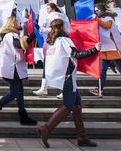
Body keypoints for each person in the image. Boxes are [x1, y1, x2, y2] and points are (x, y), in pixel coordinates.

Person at [38, 19, 99, 148]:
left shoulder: (52, 43)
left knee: (77, 104)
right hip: (67, 78)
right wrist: (95, 49)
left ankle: (82, 136)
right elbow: (76, 54)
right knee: (68, 105)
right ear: (63, 27)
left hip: (63, 77)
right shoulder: (64, 40)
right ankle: (46, 128)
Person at [0, 16, 37, 126]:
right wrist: (31, 37)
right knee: (14, 93)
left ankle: (23, 116)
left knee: (20, 92)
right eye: (16, 22)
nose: (18, 23)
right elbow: (18, 45)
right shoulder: (11, 35)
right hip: (13, 67)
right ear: (12, 23)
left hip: (13, 66)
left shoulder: (9, 35)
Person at [89, 4, 121, 100]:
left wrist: (97, 20)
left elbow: (107, 26)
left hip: (113, 48)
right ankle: (99, 89)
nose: (96, 12)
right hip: (105, 48)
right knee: (102, 71)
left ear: (102, 10)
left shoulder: (108, 18)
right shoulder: (100, 18)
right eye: (95, 10)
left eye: (97, 10)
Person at [33, 2, 69, 97]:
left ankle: (63, 90)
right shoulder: (53, 16)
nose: (47, 10)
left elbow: (55, 29)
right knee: (47, 64)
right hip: (51, 42)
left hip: (57, 42)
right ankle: (44, 88)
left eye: (48, 8)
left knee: (60, 65)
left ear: (53, 8)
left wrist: (41, 29)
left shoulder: (56, 16)